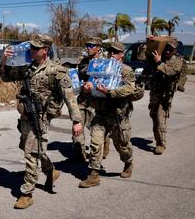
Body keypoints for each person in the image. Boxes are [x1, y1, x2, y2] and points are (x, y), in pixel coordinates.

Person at [0, 34, 83, 209]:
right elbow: (6, 76)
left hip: (41, 118)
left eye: (35, 48)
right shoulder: (27, 68)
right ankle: (51, 171)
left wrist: (76, 121)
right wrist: (4, 59)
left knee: (30, 154)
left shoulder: (57, 71)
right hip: (26, 117)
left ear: (45, 50)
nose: (31, 50)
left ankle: (26, 192)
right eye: (31, 47)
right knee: (32, 149)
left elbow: (70, 97)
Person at [79, 42, 135, 188]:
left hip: (118, 115)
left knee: (122, 146)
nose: (112, 54)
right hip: (101, 113)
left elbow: (129, 89)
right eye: (110, 51)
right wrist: (87, 89)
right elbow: (92, 85)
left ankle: (128, 163)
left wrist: (110, 93)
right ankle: (93, 175)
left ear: (122, 54)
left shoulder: (126, 70)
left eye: (116, 52)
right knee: (96, 143)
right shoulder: (100, 66)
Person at [144, 38, 186, 155]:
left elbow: (171, 71)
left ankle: (161, 144)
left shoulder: (177, 60)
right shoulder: (159, 56)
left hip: (165, 94)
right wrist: (148, 43)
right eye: (166, 49)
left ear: (175, 50)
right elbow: (142, 56)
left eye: (170, 50)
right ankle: (158, 139)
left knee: (160, 118)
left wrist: (159, 62)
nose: (167, 52)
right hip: (155, 92)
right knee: (153, 116)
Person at [75, 37, 111, 162]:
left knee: (96, 129)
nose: (88, 48)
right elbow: (80, 74)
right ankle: (80, 152)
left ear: (99, 48)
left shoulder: (106, 62)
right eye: (87, 45)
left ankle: (104, 146)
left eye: (91, 45)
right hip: (83, 98)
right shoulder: (84, 61)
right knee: (77, 125)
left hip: (97, 100)